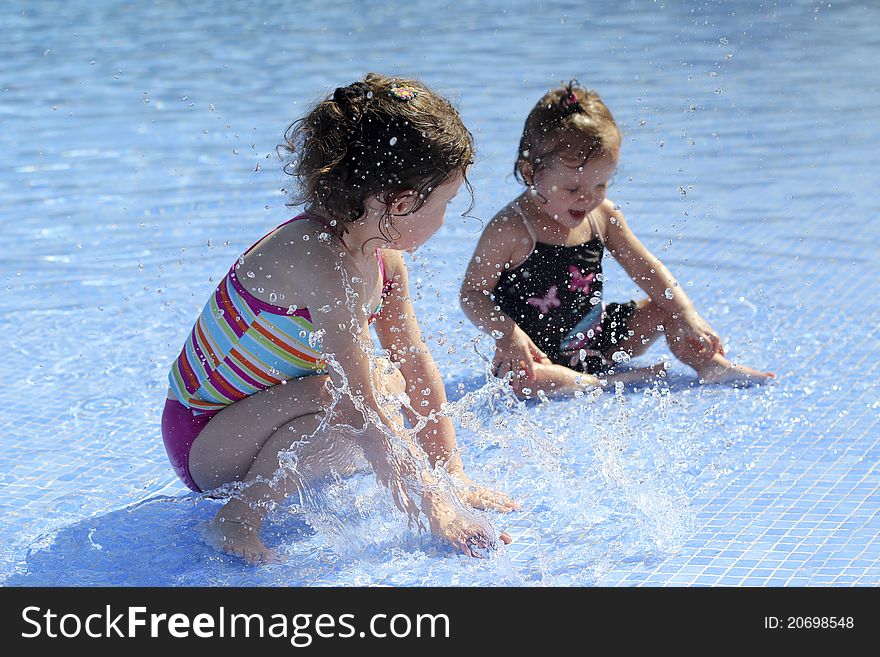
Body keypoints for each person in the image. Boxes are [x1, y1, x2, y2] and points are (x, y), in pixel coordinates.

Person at [162, 73, 518, 565]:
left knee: (388, 384)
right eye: (447, 202)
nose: (447, 218)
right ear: (401, 202)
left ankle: (266, 492)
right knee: (351, 395)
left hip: (269, 416)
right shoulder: (318, 262)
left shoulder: (383, 259)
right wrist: (435, 507)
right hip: (205, 436)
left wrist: (449, 472)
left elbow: (414, 362)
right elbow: (355, 403)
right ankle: (238, 517)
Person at [459, 81, 774, 398]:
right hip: (534, 354)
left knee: (667, 307)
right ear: (530, 173)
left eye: (601, 185)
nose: (588, 198)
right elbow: (472, 293)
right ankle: (603, 384)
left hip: (595, 337)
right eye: (573, 189)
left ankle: (711, 365)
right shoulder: (511, 228)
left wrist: (687, 312)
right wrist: (507, 334)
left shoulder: (603, 217)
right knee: (521, 380)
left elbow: (645, 268)